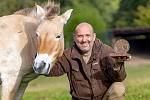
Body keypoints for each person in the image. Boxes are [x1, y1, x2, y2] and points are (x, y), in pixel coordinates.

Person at [47, 22, 127, 100]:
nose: (84, 40)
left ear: (94, 36)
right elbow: (53, 70)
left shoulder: (106, 51)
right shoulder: (68, 55)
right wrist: (43, 57)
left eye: (88, 35)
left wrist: (118, 65)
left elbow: (120, 78)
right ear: (74, 37)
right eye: (80, 36)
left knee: (118, 88)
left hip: (103, 97)